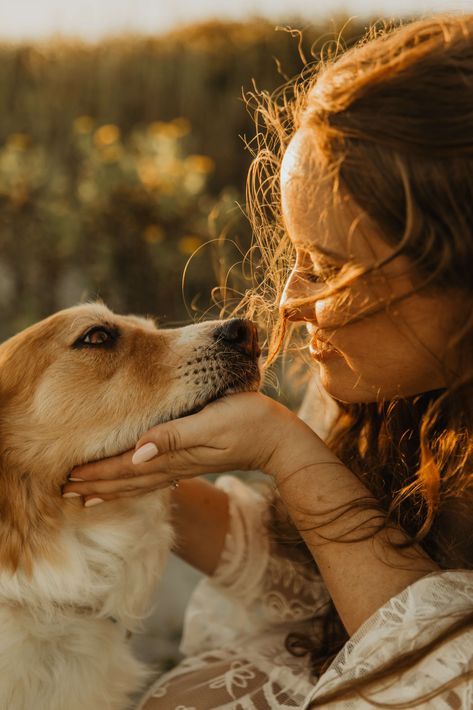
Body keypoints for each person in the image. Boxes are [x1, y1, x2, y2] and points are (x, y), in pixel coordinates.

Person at [62, 14, 473, 709]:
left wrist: (294, 457)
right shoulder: (381, 383)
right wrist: (122, 469)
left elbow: (441, 680)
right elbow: (315, 580)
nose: (289, 301)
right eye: (297, 254)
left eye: (332, 268)